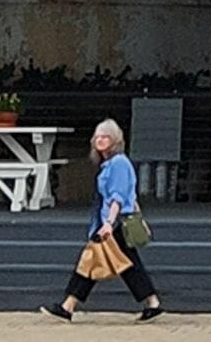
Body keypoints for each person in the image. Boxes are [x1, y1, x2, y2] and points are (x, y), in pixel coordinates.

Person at [47, 118, 159, 322]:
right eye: (97, 136)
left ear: (115, 139)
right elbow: (129, 195)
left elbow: (117, 197)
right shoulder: (112, 164)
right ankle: (151, 302)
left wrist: (108, 223)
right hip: (114, 221)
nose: (100, 140)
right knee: (126, 264)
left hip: (114, 223)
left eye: (105, 136)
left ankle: (68, 306)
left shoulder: (118, 164)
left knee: (94, 261)